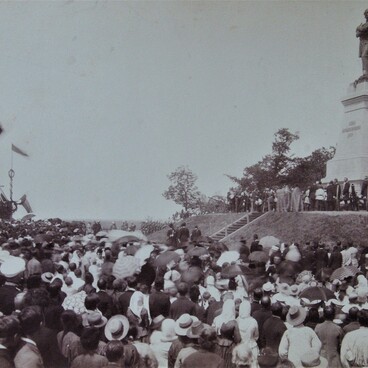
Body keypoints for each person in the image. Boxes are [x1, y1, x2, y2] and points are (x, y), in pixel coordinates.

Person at [357, 9, 368, 75]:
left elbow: (362, 29)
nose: (366, 15)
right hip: (363, 43)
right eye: (365, 14)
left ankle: (365, 72)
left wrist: (359, 28)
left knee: (364, 55)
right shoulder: (364, 24)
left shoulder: (364, 25)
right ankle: (365, 72)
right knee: (364, 56)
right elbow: (357, 34)